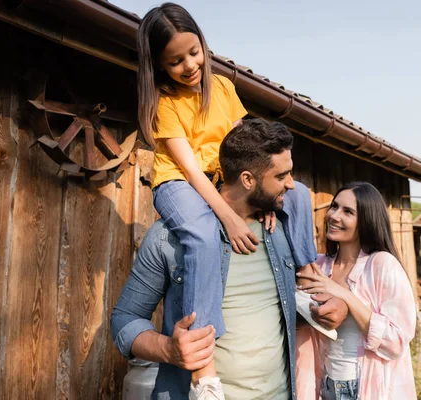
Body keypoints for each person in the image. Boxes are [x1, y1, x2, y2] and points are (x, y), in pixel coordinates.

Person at [136, 3, 318, 397]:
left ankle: (306, 279)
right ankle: (205, 366)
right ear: (158, 65)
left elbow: (243, 147)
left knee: (299, 193)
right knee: (202, 234)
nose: (189, 65)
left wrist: (266, 200)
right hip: (179, 183)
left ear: (203, 44)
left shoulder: (222, 87)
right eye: (175, 61)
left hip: (218, 176)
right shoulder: (166, 105)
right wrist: (232, 218)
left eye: (194, 52)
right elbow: (189, 170)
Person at [110, 119, 346, 400]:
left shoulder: (281, 230)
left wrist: (330, 309)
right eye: (281, 176)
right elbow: (124, 319)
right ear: (248, 180)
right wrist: (168, 350)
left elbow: (275, 312)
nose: (291, 184)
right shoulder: (168, 238)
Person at [296, 182, 417, 400]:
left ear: (367, 221)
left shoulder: (382, 265)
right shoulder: (319, 265)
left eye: (348, 212)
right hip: (326, 386)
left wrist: (345, 296)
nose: (334, 215)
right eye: (334, 207)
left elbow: (397, 340)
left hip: (363, 388)